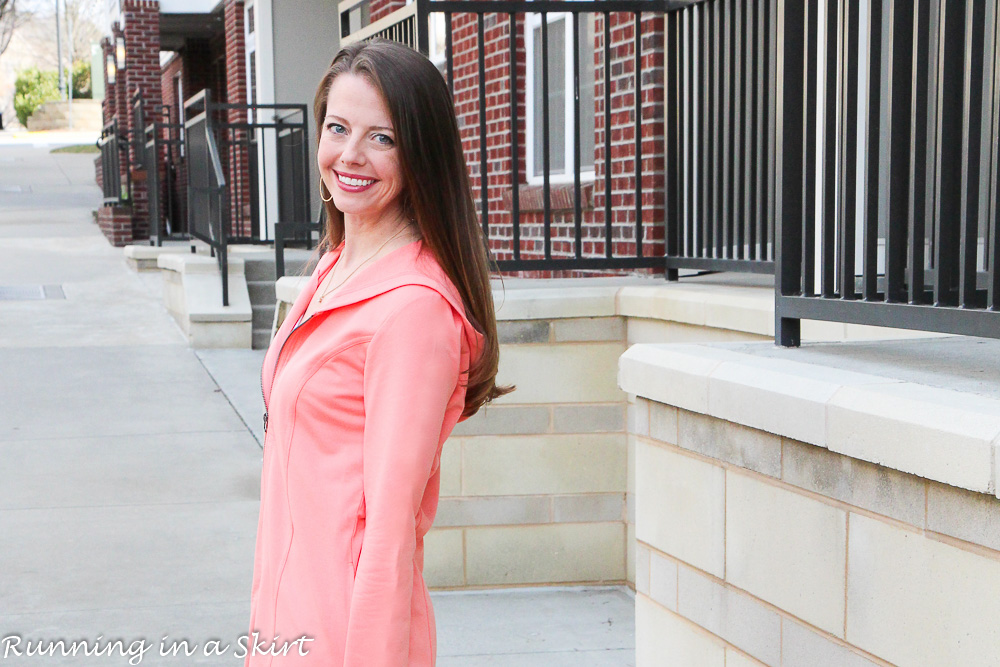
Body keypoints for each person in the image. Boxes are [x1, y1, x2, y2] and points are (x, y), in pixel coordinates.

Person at [245, 39, 513, 666]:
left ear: (421, 153)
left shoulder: (414, 311)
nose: (350, 156)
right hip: (285, 615)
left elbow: (388, 537)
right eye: (337, 128)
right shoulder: (335, 266)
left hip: (344, 635)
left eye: (382, 138)